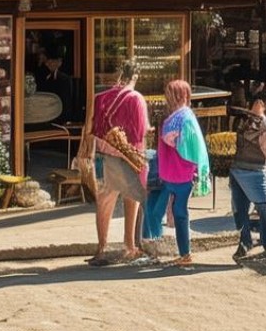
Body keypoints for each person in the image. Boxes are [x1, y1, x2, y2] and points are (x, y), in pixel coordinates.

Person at [85, 59, 149, 266]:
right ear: (135, 77)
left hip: (103, 155)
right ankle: (129, 246)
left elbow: (91, 129)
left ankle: (102, 248)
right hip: (126, 157)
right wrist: (140, 161)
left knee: (104, 203)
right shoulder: (136, 98)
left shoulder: (100, 98)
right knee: (132, 200)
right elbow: (139, 134)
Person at [145, 79, 210, 267]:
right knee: (176, 211)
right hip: (178, 174)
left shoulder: (181, 117)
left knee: (175, 211)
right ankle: (183, 253)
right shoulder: (184, 115)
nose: (168, 97)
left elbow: (184, 144)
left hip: (178, 173)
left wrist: (172, 141)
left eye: (170, 93)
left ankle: (183, 253)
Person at [228, 94, 266, 261]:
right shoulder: (245, 120)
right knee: (239, 210)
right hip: (237, 169)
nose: (256, 104)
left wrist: (262, 118)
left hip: (255, 170)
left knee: (263, 207)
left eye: (260, 102)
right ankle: (245, 243)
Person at [33, 42, 77, 121]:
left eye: (52, 61)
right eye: (48, 62)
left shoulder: (65, 79)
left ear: (59, 62)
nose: (49, 64)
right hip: (43, 116)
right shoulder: (41, 77)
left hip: (60, 118)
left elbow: (66, 104)